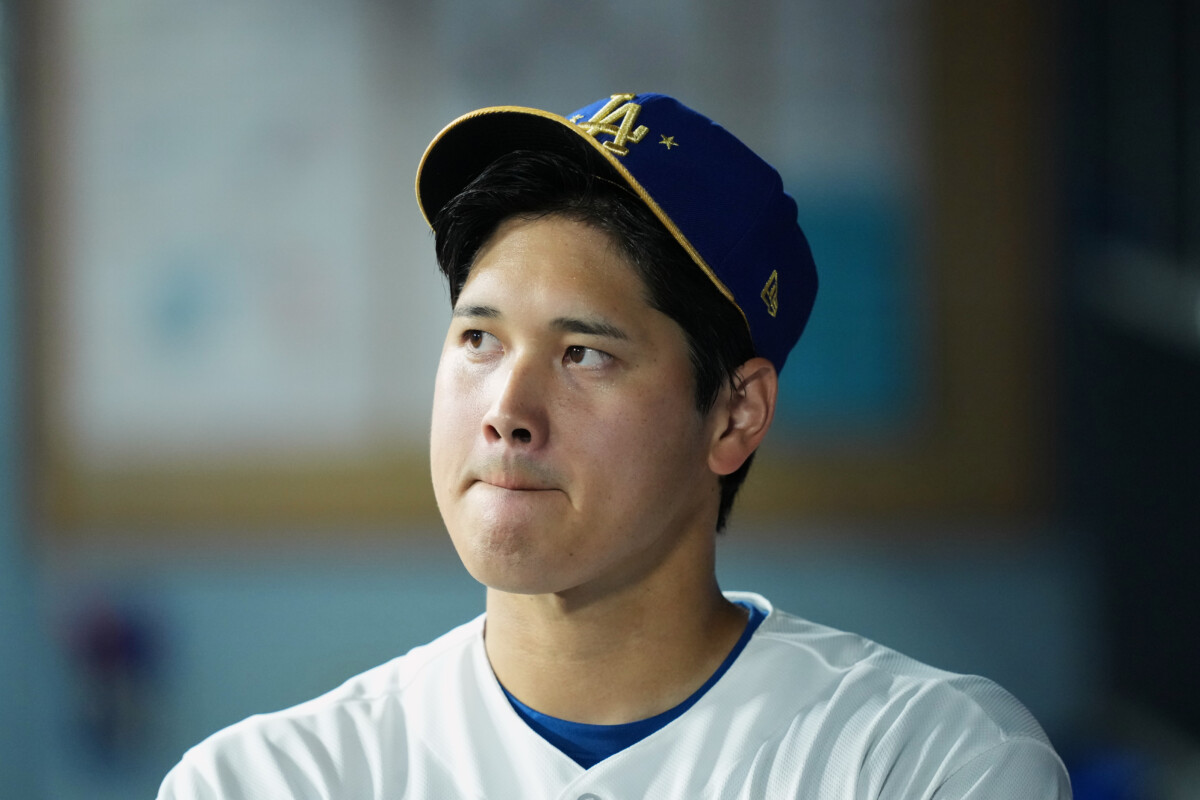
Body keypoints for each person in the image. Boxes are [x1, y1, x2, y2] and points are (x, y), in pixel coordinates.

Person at [157, 92, 1072, 799]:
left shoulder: (916, 762)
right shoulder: (273, 779)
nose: (507, 410)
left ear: (735, 415)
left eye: (585, 353)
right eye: (479, 339)